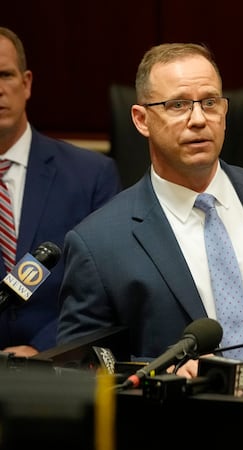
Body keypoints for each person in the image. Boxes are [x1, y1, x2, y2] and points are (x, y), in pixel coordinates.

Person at [57, 43, 243, 391]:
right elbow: (83, 376)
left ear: (224, 111)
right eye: (178, 105)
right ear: (141, 119)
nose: (198, 119)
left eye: (210, 102)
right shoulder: (98, 244)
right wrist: (161, 379)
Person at [0, 27, 120, 356]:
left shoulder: (91, 175)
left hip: (61, 365)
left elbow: (105, 290)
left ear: (26, 83)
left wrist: (43, 349)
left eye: (5, 75)